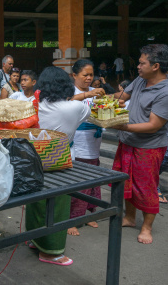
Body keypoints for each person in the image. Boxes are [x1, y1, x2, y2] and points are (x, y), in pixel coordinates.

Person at [26, 66, 90, 266]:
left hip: (33, 159)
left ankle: (35, 240)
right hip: (60, 161)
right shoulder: (75, 107)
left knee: (36, 200)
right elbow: (85, 114)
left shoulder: (33, 105)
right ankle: (51, 251)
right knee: (58, 204)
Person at [111, 44, 168, 244]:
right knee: (126, 181)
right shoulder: (140, 80)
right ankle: (129, 217)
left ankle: (146, 227)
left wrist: (122, 126)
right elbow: (121, 98)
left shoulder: (165, 92)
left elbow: (154, 125)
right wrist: (96, 98)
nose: (138, 66)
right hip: (127, 142)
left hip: (149, 146)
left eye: (142, 63)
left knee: (146, 187)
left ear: (156, 66)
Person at [67, 59, 106, 236]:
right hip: (78, 141)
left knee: (93, 180)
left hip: (94, 141)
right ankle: (72, 218)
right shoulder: (70, 92)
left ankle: (89, 213)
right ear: (74, 75)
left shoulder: (95, 91)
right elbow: (66, 103)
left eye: (91, 75)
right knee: (79, 182)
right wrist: (86, 95)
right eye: (85, 75)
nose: (89, 78)